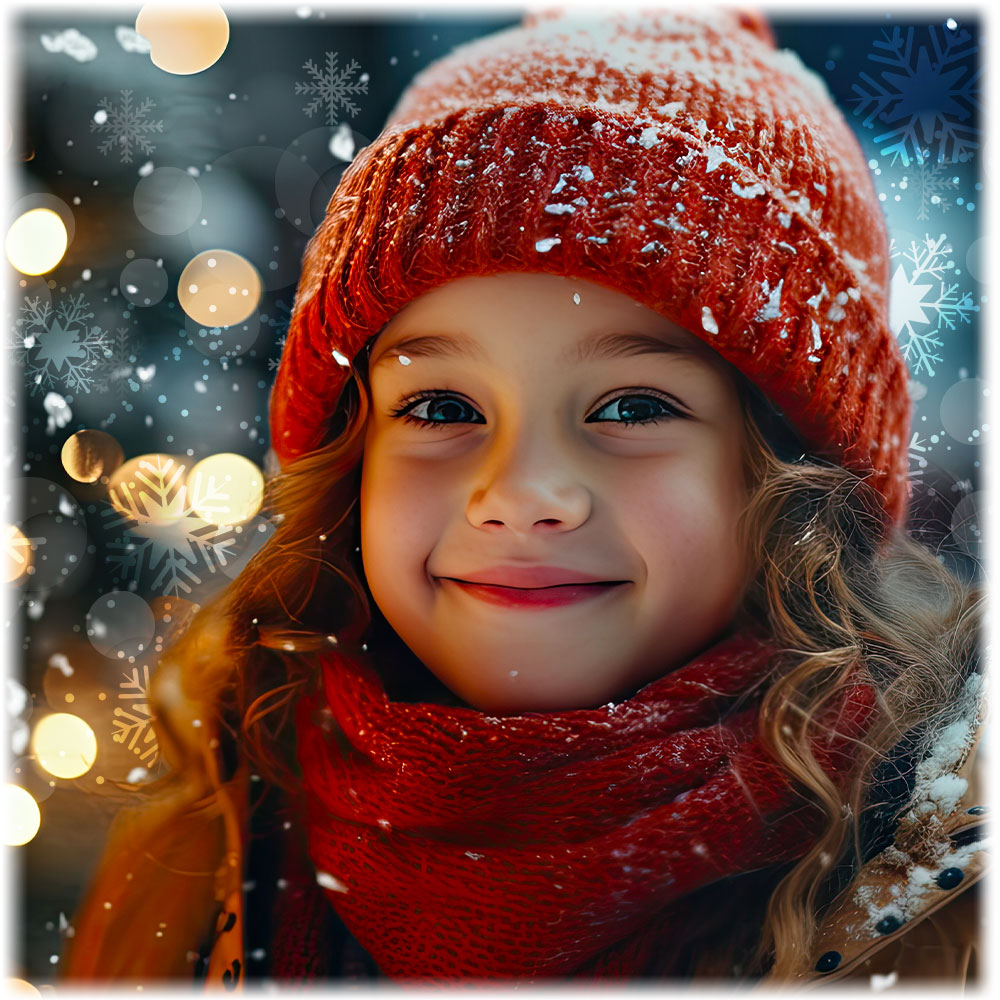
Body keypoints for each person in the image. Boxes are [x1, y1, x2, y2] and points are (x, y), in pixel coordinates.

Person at [62, 5, 985, 987]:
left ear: (795, 477)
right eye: (442, 404)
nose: (520, 494)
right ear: (350, 455)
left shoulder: (952, 918)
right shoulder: (203, 850)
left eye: (631, 406)